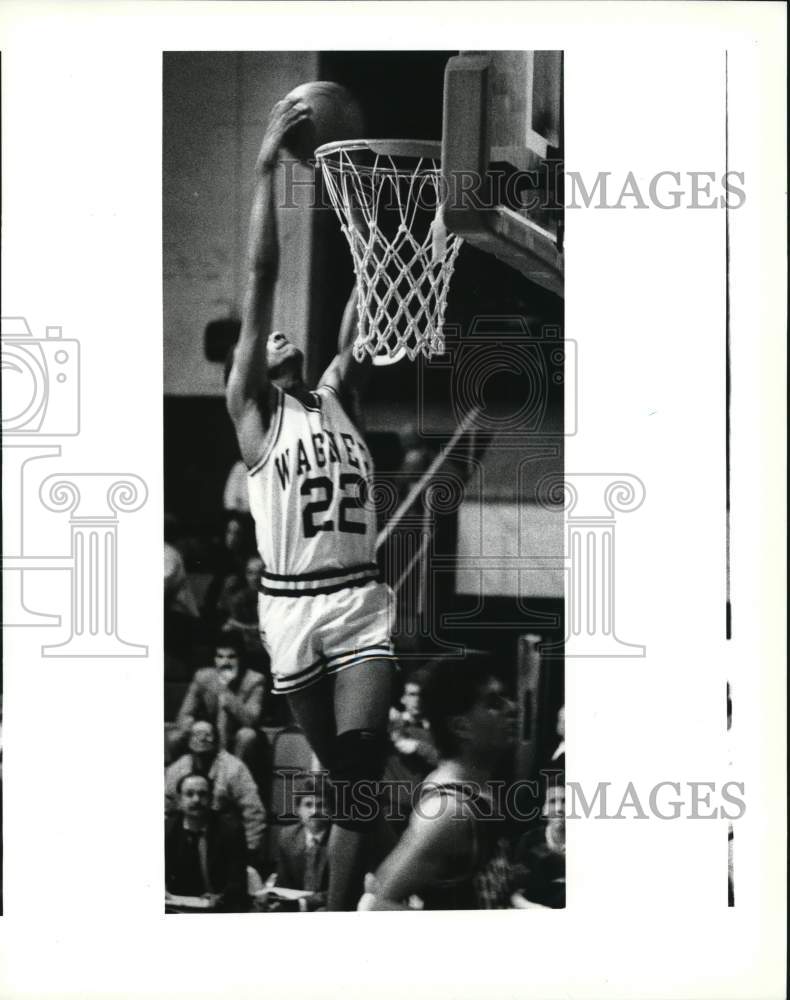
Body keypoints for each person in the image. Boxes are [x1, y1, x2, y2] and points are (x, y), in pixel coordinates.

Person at [225, 95, 397, 910]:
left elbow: (372, 281)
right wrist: (266, 166)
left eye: (281, 332)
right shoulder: (254, 417)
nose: (277, 333)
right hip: (291, 608)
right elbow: (262, 278)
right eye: (263, 338)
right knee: (345, 783)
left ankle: (334, 919)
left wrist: (370, 209)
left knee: (360, 768)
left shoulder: (335, 392)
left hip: (358, 598)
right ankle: (338, 900)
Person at [361, 658, 519, 910]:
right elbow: (376, 905)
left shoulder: (475, 791)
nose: (512, 708)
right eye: (493, 704)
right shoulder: (450, 811)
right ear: (461, 727)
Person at [165, 720, 267, 868]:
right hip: (186, 839)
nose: (202, 739)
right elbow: (165, 808)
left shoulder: (234, 768)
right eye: (197, 734)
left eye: (207, 735)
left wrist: (249, 851)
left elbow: (254, 812)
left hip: (223, 841)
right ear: (189, 741)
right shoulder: (176, 769)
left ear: (217, 741)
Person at [168, 632, 267, 784]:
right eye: (220, 656)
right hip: (208, 732)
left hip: (236, 735)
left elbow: (251, 720)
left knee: (247, 735)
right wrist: (196, 727)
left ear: (241, 659)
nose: (225, 662)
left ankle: (232, 782)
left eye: (231, 657)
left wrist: (225, 690)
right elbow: (184, 715)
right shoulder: (203, 677)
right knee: (174, 737)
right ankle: (180, 784)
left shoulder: (255, 680)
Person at [165, 773, 248, 912]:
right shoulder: (166, 830)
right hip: (176, 906)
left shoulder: (230, 831)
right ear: (179, 800)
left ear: (211, 799)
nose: (196, 800)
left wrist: (221, 897)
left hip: (219, 908)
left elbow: (237, 881)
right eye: (189, 794)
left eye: (202, 794)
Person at [270, 778, 331, 912]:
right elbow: (282, 885)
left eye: (321, 805)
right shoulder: (287, 837)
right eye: (308, 805)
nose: (314, 811)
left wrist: (304, 903)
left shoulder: (338, 841)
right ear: (298, 809)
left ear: (331, 810)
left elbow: (339, 891)